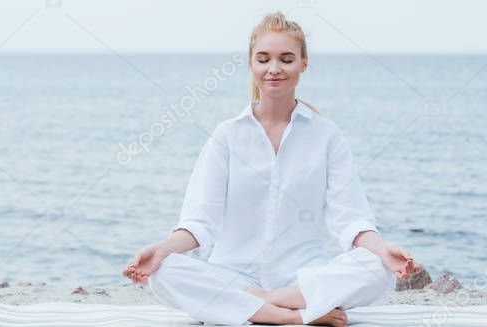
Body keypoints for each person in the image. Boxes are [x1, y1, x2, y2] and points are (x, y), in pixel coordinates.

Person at [121, 12, 420, 326]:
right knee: (164, 271)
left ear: (303, 63)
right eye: (263, 59)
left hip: (301, 281)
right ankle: (291, 317)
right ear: (250, 64)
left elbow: (350, 219)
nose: (274, 69)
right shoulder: (227, 135)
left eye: (286, 59)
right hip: (233, 276)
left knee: (379, 269)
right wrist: (161, 249)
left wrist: (383, 249)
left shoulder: (326, 135)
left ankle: (264, 304)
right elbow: (199, 222)